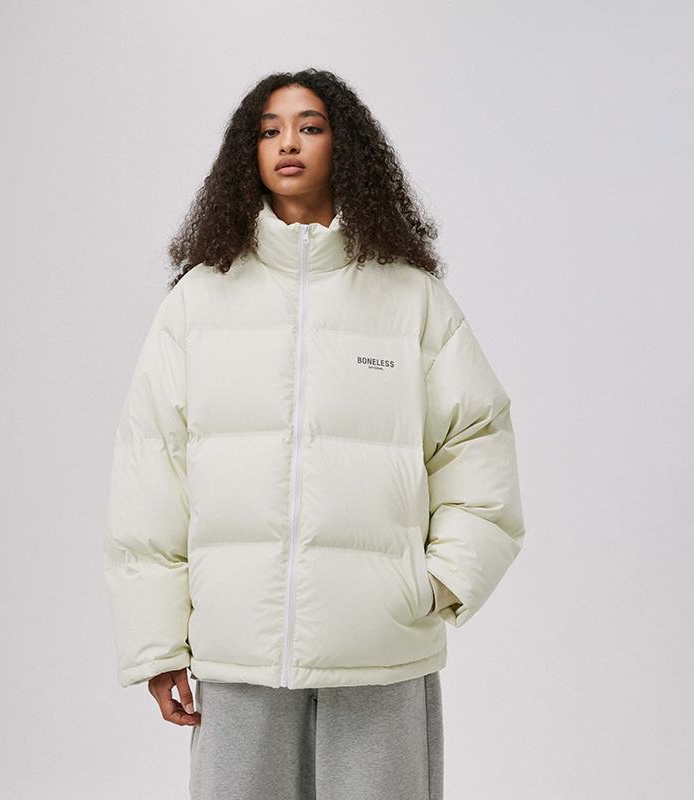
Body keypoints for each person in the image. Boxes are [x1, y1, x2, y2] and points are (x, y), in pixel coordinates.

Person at [102, 68, 526, 800]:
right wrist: (157, 643)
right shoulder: (200, 301)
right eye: (269, 130)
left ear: (345, 146)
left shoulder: (410, 297)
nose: (288, 143)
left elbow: (477, 442)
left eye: (310, 126)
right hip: (239, 649)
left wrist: (436, 584)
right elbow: (151, 474)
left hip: (380, 648)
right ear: (248, 153)